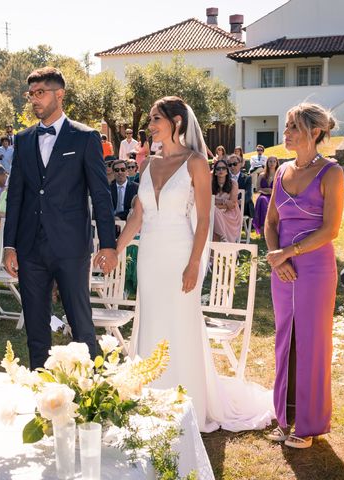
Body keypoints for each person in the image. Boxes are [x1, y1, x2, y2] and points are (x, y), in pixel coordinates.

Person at [116, 95, 274, 433]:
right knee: (151, 319)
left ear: (176, 122)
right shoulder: (148, 164)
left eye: (156, 118)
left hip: (180, 253)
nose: (150, 126)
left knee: (180, 322)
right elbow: (137, 217)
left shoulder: (196, 163)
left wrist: (192, 265)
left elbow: (204, 220)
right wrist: (116, 249)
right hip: (150, 256)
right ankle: (151, 397)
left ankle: (187, 402)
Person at [2, 66, 117, 369]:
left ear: (60, 95)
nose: (34, 100)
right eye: (31, 95)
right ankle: (42, 389)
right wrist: (9, 245)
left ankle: (91, 389)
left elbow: (101, 195)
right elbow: (16, 196)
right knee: (36, 328)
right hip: (30, 248)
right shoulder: (23, 139)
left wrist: (108, 245)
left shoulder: (85, 137)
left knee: (81, 324)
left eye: (40, 93)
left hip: (70, 247)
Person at [264, 103, 343, 449]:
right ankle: (284, 418)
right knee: (284, 341)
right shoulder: (280, 172)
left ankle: (309, 425)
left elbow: (331, 229)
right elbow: (270, 223)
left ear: (314, 132)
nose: (287, 134)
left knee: (311, 342)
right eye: (286, 126)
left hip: (315, 269)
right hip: (282, 269)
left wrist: (290, 253)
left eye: (293, 127)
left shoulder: (332, 172)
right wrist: (275, 259)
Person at [211, 159, 242, 242]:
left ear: (227, 171)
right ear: (215, 172)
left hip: (230, 214)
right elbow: (207, 202)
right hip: (214, 214)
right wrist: (225, 202)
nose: (221, 170)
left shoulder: (233, 183)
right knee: (213, 212)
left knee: (213, 211)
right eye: (218, 168)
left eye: (223, 168)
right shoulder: (210, 183)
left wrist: (216, 202)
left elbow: (232, 205)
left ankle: (222, 240)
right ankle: (223, 238)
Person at [252, 156, 279, 235]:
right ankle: (263, 227)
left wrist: (272, 192)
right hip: (263, 195)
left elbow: (280, 189)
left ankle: (270, 228)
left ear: (277, 163)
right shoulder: (261, 175)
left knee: (264, 200)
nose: (272, 163)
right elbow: (257, 189)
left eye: (274, 161)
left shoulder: (279, 175)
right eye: (270, 161)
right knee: (262, 200)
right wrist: (266, 190)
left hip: (274, 196)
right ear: (267, 163)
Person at [228, 153, 254, 218]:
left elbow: (248, 194)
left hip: (242, 205)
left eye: (234, 164)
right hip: (228, 205)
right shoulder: (225, 177)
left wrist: (239, 201)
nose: (232, 167)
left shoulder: (247, 178)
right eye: (230, 165)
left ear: (240, 164)